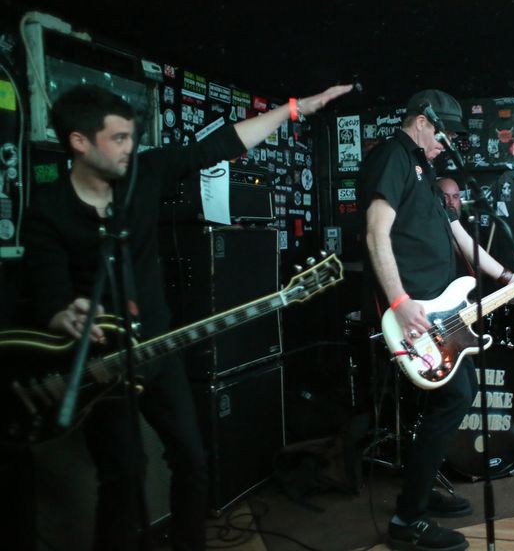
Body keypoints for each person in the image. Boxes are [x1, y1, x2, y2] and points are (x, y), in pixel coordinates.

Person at [22, 82, 351, 550]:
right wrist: (65, 316)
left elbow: (221, 144)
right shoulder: (49, 210)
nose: (130, 147)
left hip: (157, 348)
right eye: (118, 138)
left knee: (193, 459)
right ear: (79, 141)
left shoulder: (144, 175)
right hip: (99, 366)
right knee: (123, 474)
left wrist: (294, 109)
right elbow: (49, 298)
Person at [359, 89, 514, 551]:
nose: (446, 143)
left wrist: (508, 276)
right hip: (413, 311)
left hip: (442, 308)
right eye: (443, 133)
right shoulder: (393, 157)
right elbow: (376, 232)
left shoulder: (426, 169)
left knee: (456, 394)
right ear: (421, 120)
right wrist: (399, 301)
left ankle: (417, 491)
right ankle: (407, 519)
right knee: (455, 396)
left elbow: (458, 234)